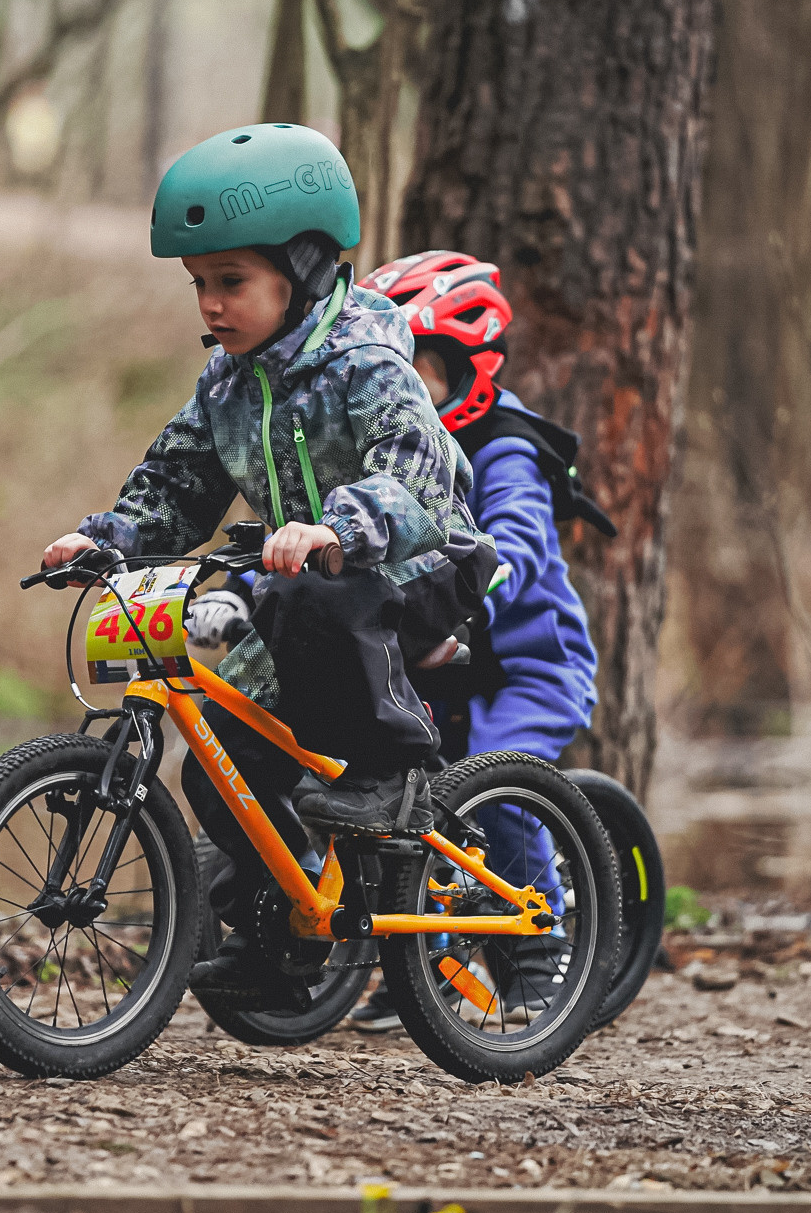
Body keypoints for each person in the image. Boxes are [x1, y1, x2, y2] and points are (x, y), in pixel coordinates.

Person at [40, 125, 497, 1009]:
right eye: (200, 285)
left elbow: (416, 469)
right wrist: (108, 539)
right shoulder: (224, 383)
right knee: (220, 760)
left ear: (308, 269)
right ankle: (278, 937)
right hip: (305, 585)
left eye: (232, 282)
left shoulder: (367, 360)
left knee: (311, 593)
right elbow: (177, 485)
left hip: (419, 559)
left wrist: (339, 527)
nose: (210, 305)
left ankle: (385, 773)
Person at [196, 251, 612, 1030]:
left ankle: (541, 952)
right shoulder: (362, 429)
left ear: (470, 367)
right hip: (435, 663)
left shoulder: (504, 446)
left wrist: (468, 604)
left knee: (498, 786)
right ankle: (418, 960)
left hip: (525, 666)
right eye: (401, 366)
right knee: (392, 790)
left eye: (425, 370)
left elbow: (511, 544)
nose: (408, 384)